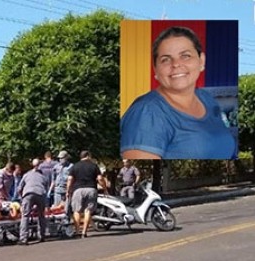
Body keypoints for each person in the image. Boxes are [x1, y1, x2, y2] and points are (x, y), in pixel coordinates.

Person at [121, 26, 237, 160]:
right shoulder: (147, 113)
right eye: (166, 59)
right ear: (156, 69)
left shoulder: (206, 98)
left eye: (185, 56)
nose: (176, 64)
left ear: (201, 61)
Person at [66, 151, 108, 238]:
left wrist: (68, 191)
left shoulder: (75, 166)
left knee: (76, 211)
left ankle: (77, 230)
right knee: (88, 210)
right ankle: (84, 232)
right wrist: (105, 189)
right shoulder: (94, 166)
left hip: (78, 190)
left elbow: (70, 180)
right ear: (88, 156)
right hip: (91, 189)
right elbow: (100, 178)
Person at [17, 158, 49, 245]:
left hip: (28, 194)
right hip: (40, 193)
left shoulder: (26, 175)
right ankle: (42, 236)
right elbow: (46, 190)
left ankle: (23, 239)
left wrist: (21, 198)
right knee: (41, 215)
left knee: (25, 216)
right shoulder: (43, 177)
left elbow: (19, 189)